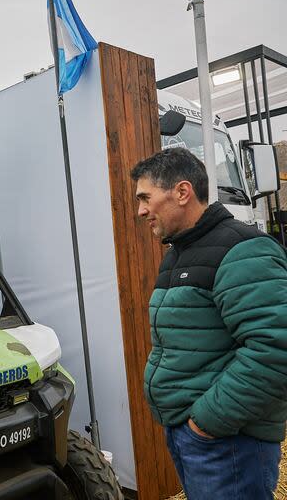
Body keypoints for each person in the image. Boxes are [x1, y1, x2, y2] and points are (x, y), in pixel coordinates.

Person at [131, 147, 287, 500]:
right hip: (195, 437)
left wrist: (205, 424)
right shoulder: (177, 255)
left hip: (229, 442)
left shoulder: (242, 249)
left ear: (182, 192)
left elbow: (274, 348)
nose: (140, 210)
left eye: (145, 198)